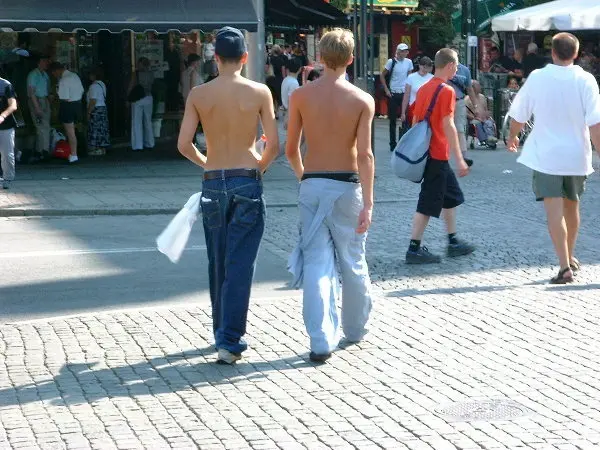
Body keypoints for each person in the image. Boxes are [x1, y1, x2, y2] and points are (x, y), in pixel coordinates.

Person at [177, 27, 280, 365]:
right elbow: (274, 146)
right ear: (245, 58)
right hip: (246, 178)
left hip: (212, 181)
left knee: (217, 261)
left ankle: (220, 330)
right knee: (240, 263)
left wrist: (208, 163)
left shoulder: (198, 94)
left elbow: (183, 145)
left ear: (215, 58)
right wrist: (258, 169)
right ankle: (229, 340)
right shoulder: (260, 91)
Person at [286, 28, 375, 363]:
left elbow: (292, 149)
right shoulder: (362, 100)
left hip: (313, 181)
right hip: (348, 184)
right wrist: (369, 201)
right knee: (352, 260)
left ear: (320, 58)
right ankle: (355, 328)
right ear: (351, 59)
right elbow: (365, 155)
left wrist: (304, 178)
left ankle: (321, 338)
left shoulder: (301, 96)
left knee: (317, 262)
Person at [506, 32, 600, 284]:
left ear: (553, 53)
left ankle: (563, 266)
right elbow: (595, 123)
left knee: (554, 211)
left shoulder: (538, 77)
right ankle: (570, 257)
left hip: (547, 154)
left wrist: (513, 137)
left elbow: (519, 114)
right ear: (577, 54)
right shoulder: (586, 79)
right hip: (577, 155)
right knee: (573, 206)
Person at [405, 48, 475, 264]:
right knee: (427, 202)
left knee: (450, 197)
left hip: (430, 153)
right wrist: (460, 158)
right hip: (437, 154)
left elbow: (415, 119)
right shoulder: (446, 91)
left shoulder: (425, 88)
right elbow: (449, 126)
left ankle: (453, 241)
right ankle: (414, 249)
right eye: (456, 67)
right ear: (451, 65)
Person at [448, 50, 479, 167]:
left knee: (460, 129)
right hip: (445, 103)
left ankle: (464, 156)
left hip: (459, 101)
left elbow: (470, 89)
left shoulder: (464, 70)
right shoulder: (444, 67)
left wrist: (475, 106)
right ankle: (440, 156)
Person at [380, 43, 413, 151]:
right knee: (393, 120)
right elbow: (382, 75)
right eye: (402, 51)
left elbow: (410, 77)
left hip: (404, 93)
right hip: (393, 93)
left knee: (406, 119)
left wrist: (410, 92)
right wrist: (386, 90)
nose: (405, 53)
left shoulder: (409, 62)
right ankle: (392, 144)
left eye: (406, 51)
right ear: (398, 51)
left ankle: (404, 143)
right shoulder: (391, 62)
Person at [49, 62, 84, 163]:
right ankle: (74, 152)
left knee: (70, 132)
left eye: (54, 73)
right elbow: (81, 90)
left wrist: (55, 93)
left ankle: (73, 154)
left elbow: (64, 97)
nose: (54, 75)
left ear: (57, 70)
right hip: (78, 104)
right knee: (75, 130)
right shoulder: (75, 76)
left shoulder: (63, 80)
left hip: (68, 106)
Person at [26, 54, 51, 159]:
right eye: (44, 60)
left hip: (44, 99)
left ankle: (39, 151)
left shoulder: (45, 74)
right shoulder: (33, 75)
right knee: (42, 126)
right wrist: (37, 107)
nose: (46, 63)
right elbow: (31, 92)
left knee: (44, 126)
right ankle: (44, 151)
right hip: (36, 100)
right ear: (39, 62)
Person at [128, 57, 155, 152]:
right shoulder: (151, 73)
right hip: (148, 97)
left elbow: (132, 84)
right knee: (148, 120)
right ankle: (150, 142)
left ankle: (137, 145)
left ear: (140, 64)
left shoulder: (136, 73)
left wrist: (128, 96)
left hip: (138, 98)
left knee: (136, 121)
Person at [401, 56, 433, 128]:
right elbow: (406, 95)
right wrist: (403, 112)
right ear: (420, 66)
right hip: (413, 107)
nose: (425, 68)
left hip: (427, 108)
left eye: (427, 66)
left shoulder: (432, 78)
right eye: (424, 66)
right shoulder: (411, 77)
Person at [86, 67, 110, 156]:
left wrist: (88, 112)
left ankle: (96, 148)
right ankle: (102, 147)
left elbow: (93, 101)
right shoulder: (102, 84)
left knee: (94, 129)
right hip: (103, 108)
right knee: (102, 129)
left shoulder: (93, 86)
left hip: (96, 110)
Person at [0, 76, 18, 189]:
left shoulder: (5, 85)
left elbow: (13, 105)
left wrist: (2, 115)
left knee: (7, 154)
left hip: (5, 125)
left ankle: (8, 178)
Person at [466, 80, 497, 145]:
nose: (480, 87)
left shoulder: (482, 97)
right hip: (473, 120)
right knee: (477, 123)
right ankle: (484, 139)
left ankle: (490, 137)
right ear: (473, 88)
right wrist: (473, 117)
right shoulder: (467, 99)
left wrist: (487, 114)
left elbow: (486, 110)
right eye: (478, 86)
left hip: (484, 119)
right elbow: (465, 113)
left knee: (489, 122)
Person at [280, 58, 301, 127]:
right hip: (292, 114)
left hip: (287, 111)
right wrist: (287, 118)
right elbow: (291, 101)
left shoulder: (285, 80)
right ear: (299, 69)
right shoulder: (294, 83)